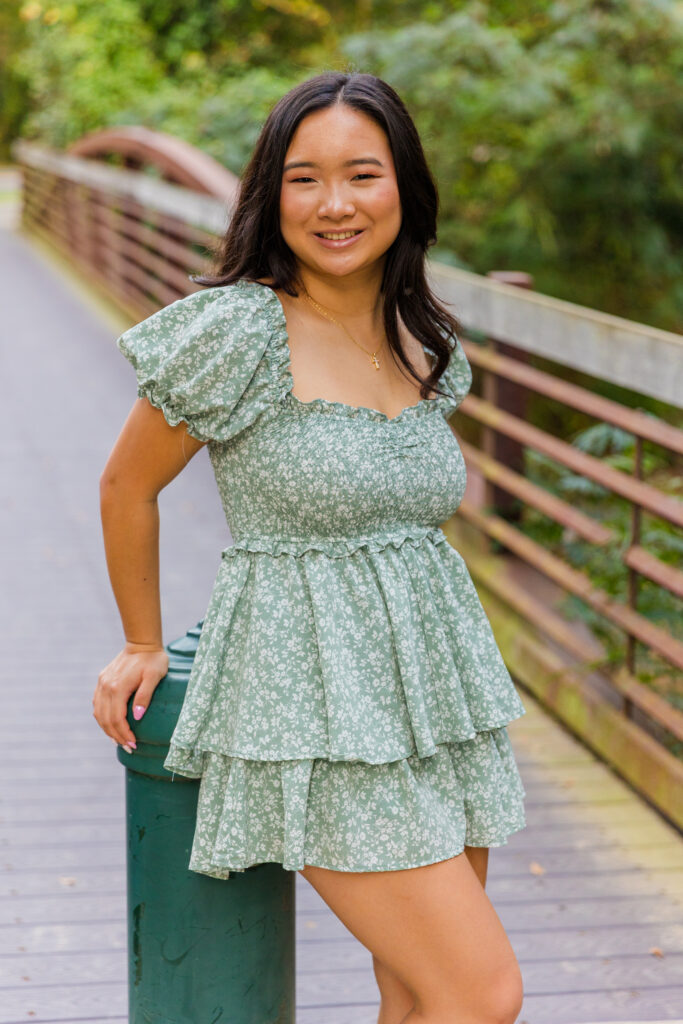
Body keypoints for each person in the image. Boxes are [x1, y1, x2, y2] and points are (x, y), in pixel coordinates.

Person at [93, 70, 528, 1024]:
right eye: (304, 179)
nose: (335, 204)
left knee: (418, 994)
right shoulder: (241, 328)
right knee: (480, 993)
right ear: (271, 194)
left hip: (433, 697)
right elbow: (128, 484)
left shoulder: (422, 337)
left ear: (403, 186)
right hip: (313, 700)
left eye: (361, 174)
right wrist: (141, 638)